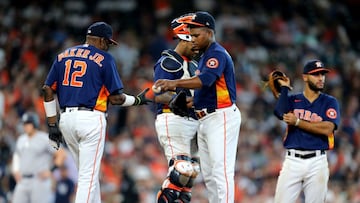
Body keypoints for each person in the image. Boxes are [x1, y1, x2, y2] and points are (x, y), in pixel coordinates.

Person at [41, 21, 151, 203]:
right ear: (100, 40)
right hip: (91, 119)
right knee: (88, 178)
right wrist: (137, 100)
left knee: (88, 173)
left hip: (66, 120)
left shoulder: (63, 55)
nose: (107, 47)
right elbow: (116, 98)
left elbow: (47, 89)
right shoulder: (104, 58)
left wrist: (52, 123)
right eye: (107, 42)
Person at [154, 11, 242, 203]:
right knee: (209, 175)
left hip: (221, 116)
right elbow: (209, 90)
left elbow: (206, 80)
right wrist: (190, 102)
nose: (192, 40)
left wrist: (173, 83)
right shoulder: (202, 57)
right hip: (205, 118)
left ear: (209, 32)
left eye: (196, 35)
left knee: (221, 172)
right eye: (190, 36)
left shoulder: (216, 53)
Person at [273, 60, 341, 203]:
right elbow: (279, 112)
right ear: (305, 77)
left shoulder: (330, 102)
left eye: (322, 74)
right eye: (316, 74)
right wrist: (284, 89)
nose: (321, 78)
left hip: (317, 162)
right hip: (292, 161)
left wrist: (298, 122)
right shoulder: (293, 100)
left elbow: (328, 128)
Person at [154, 13, 200, 203]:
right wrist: (178, 100)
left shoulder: (195, 63)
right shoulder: (169, 61)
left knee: (187, 182)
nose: (197, 46)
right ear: (184, 38)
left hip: (192, 122)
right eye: (194, 40)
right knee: (180, 170)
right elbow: (159, 93)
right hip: (173, 118)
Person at [11, 111, 66, 203]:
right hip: (22, 180)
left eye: (28, 123)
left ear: (35, 123)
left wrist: (51, 171)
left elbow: (62, 154)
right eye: (24, 124)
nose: (26, 126)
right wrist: (15, 170)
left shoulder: (45, 138)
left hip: (39, 180)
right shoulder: (21, 139)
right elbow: (16, 156)